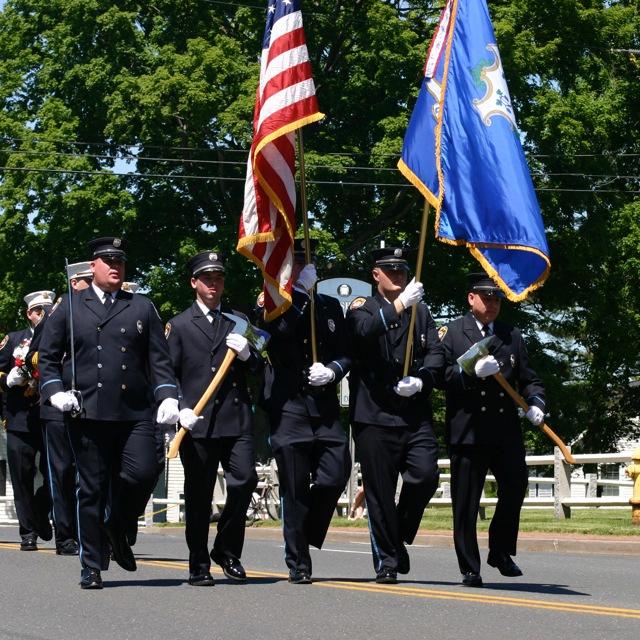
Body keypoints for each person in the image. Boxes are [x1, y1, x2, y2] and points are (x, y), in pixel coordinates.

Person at [38, 237, 180, 590]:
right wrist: (55, 392)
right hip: (88, 412)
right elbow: (48, 357)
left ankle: (116, 525)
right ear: (93, 266)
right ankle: (91, 564)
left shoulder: (141, 307)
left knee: (144, 471)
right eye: (108, 260)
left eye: (120, 261)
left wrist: (167, 396)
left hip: (133, 412)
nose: (115, 266)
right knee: (92, 489)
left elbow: (158, 360)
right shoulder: (70, 307)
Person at [440, 272, 546, 587]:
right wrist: (468, 371)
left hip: (504, 430)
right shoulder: (452, 333)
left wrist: (536, 402)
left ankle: (500, 551)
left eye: (496, 299)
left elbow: (529, 378)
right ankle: (469, 566)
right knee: (466, 502)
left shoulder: (511, 335)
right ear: (471, 298)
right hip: (468, 429)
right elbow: (439, 377)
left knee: (516, 485)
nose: (492, 304)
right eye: (486, 297)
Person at [346, 246, 443, 584]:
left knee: (426, 475)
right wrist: (401, 305)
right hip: (374, 415)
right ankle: (387, 560)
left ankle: (398, 530)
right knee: (380, 492)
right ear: (376, 275)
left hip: (413, 413)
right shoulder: (362, 307)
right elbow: (363, 333)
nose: (399, 276)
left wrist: (421, 380)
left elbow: (435, 353)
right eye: (392, 271)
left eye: (403, 270)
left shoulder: (423, 312)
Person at [259, 238, 351, 584]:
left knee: (335, 473)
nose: (303, 267)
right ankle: (298, 561)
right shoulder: (274, 303)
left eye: (306, 263)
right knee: (295, 488)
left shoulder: (329, 306)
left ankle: (307, 531)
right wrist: (296, 295)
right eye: (296, 263)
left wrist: (334, 370)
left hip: (324, 405)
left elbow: (345, 353)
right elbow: (279, 338)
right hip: (290, 406)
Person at [165, 250, 260, 586]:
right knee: (199, 496)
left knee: (245, 480)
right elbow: (167, 374)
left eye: (218, 278)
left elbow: (261, 366)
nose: (213, 284)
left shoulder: (240, 320)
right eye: (207, 278)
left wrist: (249, 353)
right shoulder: (177, 325)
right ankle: (198, 563)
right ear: (194, 283)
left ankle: (227, 549)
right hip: (197, 422)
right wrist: (178, 406)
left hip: (236, 419)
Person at [36, 262, 93, 556]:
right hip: (59, 405)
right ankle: (66, 535)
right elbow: (38, 354)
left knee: (91, 471)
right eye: (86, 280)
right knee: (62, 471)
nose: (91, 284)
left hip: (90, 403)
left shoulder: (99, 310)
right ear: (74, 283)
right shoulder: (60, 312)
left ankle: (92, 531)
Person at [0, 291, 55, 551]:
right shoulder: (13, 340)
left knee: (58, 473)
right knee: (22, 477)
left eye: (47, 310)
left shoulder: (60, 339)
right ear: (29, 314)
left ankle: (39, 510)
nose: (42, 315)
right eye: (38, 311)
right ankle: (28, 531)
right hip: (19, 418)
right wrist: (7, 379)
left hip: (49, 417)